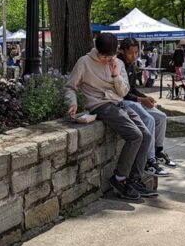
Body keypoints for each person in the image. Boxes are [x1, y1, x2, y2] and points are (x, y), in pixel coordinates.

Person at [65, 33, 156, 200]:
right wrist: (72, 102)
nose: (106, 59)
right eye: (103, 55)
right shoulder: (84, 62)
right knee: (135, 136)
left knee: (147, 135)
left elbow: (124, 92)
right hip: (100, 105)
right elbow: (70, 87)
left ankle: (134, 178)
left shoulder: (118, 63)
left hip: (118, 102)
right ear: (96, 50)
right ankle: (120, 178)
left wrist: (115, 75)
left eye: (110, 56)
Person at [117, 38, 176, 177]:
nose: (134, 56)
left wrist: (145, 97)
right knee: (149, 120)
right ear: (122, 51)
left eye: (136, 52)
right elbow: (123, 94)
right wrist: (141, 99)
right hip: (123, 102)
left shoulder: (131, 64)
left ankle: (158, 150)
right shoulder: (118, 65)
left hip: (134, 99)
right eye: (131, 53)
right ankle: (149, 161)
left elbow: (132, 88)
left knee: (161, 117)